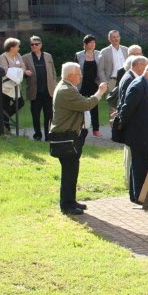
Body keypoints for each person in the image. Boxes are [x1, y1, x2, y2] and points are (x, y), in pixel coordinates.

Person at [50, 62, 108, 215]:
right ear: (71, 76)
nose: (81, 76)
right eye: (79, 73)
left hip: (71, 135)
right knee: (69, 171)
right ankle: (67, 205)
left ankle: (71, 201)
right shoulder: (65, 90)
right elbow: (86, 104)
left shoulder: (68, 87)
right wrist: (100, 92)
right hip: (66, 137)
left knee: (72, 170)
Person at [117, 62, 148, 205]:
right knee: (140, 166)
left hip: (147, 132)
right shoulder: (138, 86)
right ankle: (140, 197)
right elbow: (127, 109)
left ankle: (137, 195)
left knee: (141, 165)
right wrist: (124, 128)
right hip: (139, 134)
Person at [115, 55, 148, 187]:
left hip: (131, 124)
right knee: (131, 156)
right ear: (138, 66)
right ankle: (130, 183)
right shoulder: (131, 79)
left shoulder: (129, 76)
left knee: (130, 155)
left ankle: (131, 182)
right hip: (133, 125)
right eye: (145, 66)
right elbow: (128, 105)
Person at [22, 36, 55, 141]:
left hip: (48, 91)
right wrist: (25, 73)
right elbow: (22, 73)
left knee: (49, 115)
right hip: (35, 91)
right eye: (32, 44)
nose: (34, 46)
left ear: (41, 45)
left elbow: (53, 72)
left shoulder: (48, 56)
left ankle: (48, 135)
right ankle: (37, 134)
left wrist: (54, 84)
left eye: (36, 44)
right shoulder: (25, 57)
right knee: (35, 115)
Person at [0, 37, 28, 133]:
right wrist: (19, 71)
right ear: (11, 47)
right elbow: (5, 70)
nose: (19, 48)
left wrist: (19, 71)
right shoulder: (2, 57)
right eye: (17, 46)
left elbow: (23, 67)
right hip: (5, 87)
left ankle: (3, 119)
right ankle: (6, 128)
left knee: (20, 103)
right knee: (5, 106)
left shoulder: (18, 55)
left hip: (16, 86)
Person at [75, 35, 103, 138]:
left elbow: (102, 69)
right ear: (85, 44)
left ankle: (96, 130)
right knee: (80, 106)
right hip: (81, 84)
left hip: (94, 84)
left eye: (94, 42)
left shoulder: (99, 54)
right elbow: (75, 69)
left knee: (94, 106)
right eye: (90, 42)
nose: (93, 44)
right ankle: (79, 128)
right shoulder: (79, 55)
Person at [98, 30, 130, 111]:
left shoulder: (126, 50)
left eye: (117, 37)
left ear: (120, 38)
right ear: (109, 39)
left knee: (127, 103)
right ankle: (113, 123)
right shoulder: (104, 51)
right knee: (112, 107)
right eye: (114, 37)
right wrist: (105, 82)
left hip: (125, 79)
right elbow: (100, 70)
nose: (116, 39)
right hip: (111, 81)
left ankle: (123, 123)